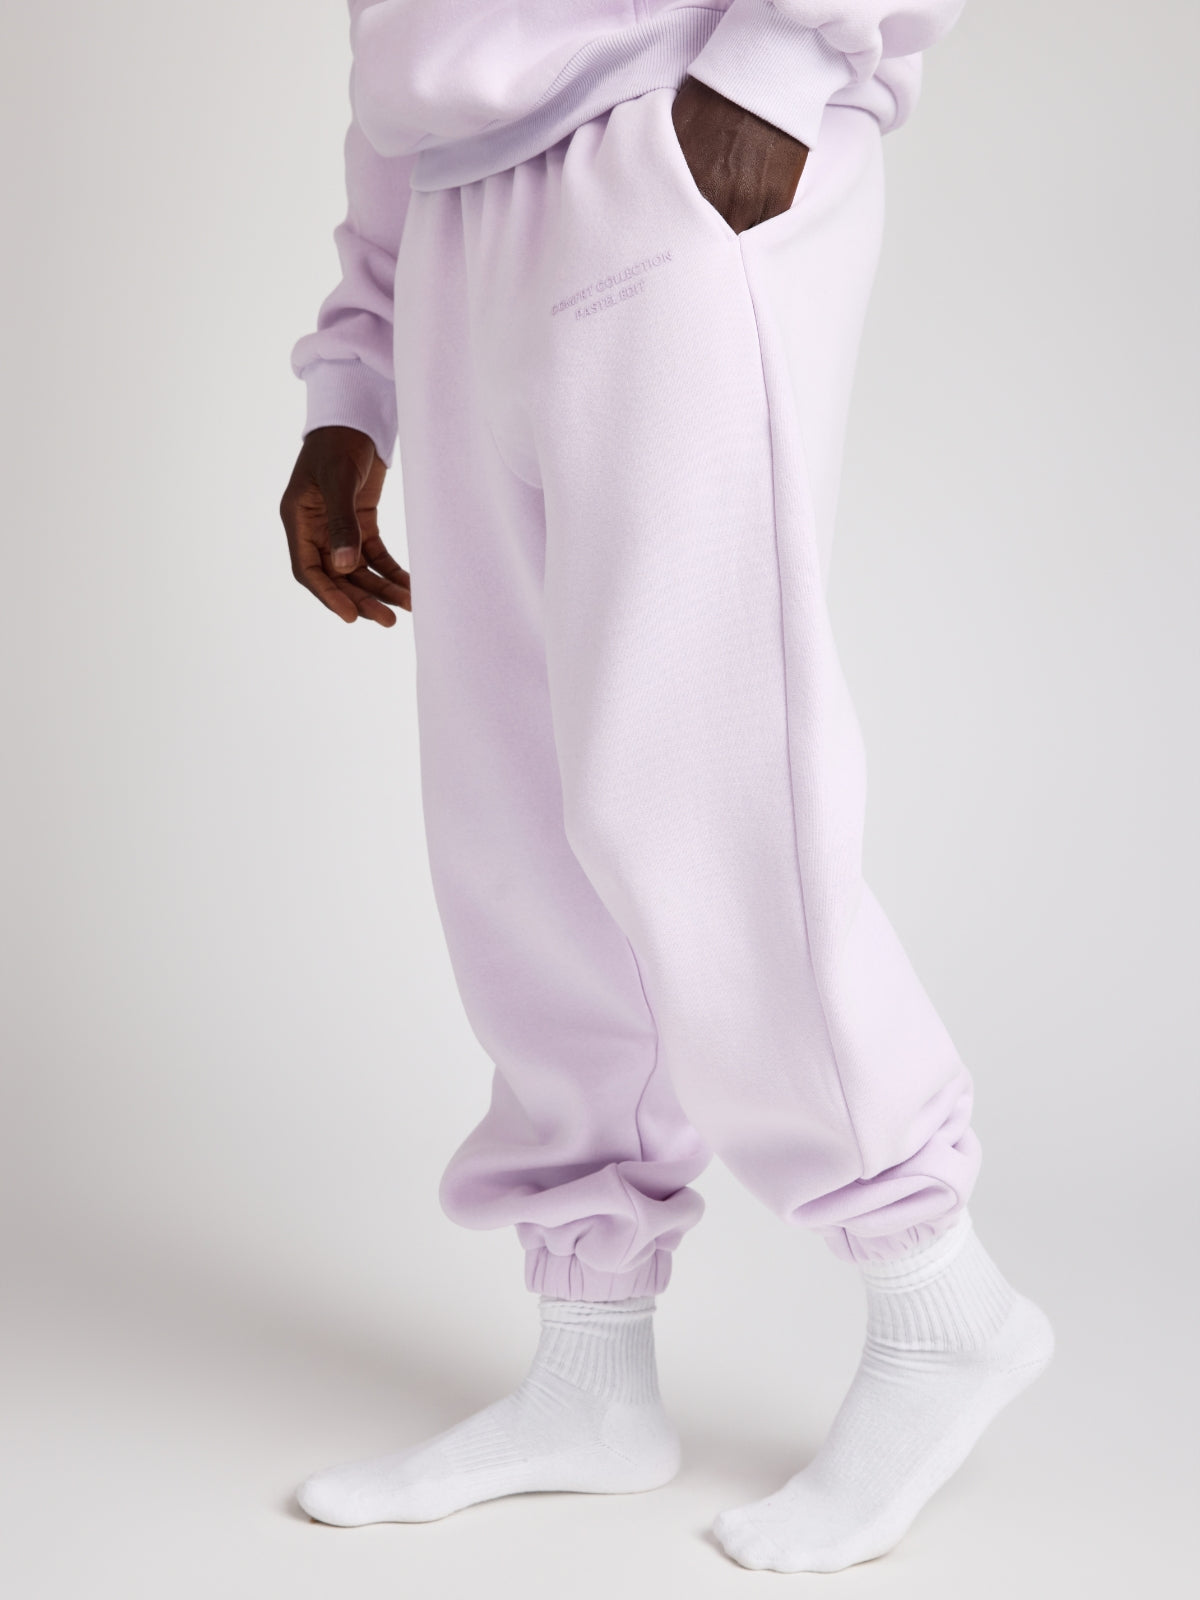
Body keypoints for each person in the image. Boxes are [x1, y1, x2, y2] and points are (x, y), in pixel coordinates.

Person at [277, 0, 1053, 1573]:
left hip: (669, 138)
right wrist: (353, 378)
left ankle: (936, 1293)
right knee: (511, 816)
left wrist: (777, 67)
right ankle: (591, 1366)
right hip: (454, 209)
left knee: (699, 781)